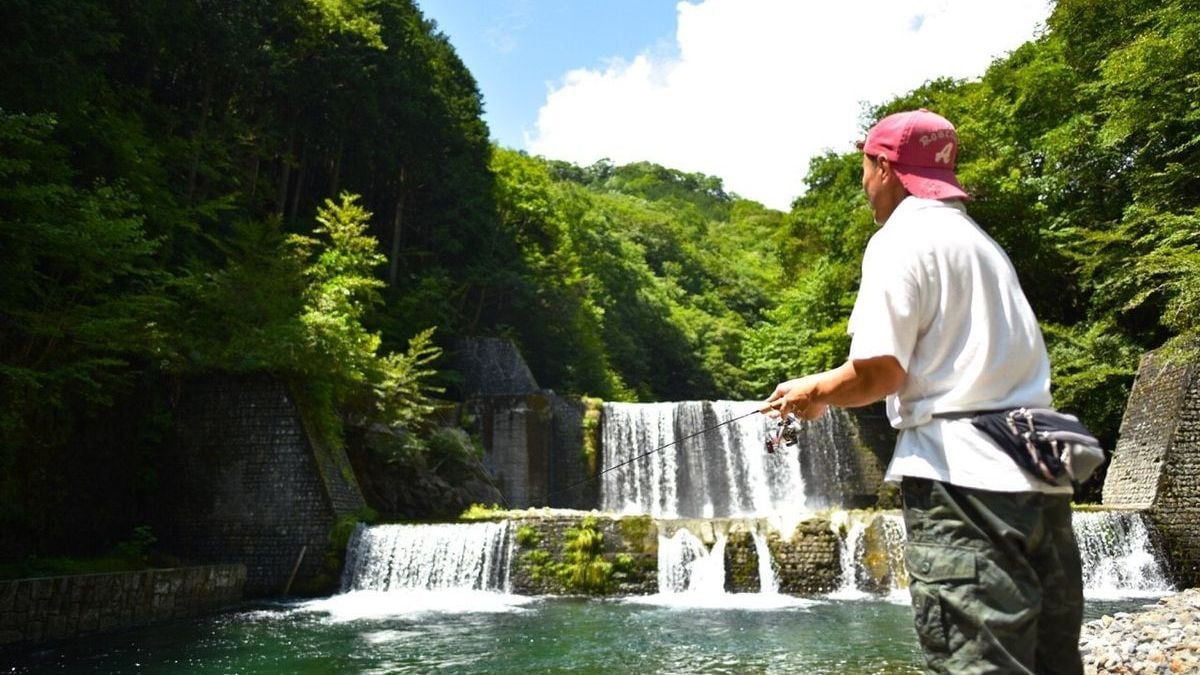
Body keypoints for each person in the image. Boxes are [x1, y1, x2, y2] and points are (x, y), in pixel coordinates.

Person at [762, 109, 1083, 674]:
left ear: (885, 167)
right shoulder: (979, 243)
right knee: (1049, 660)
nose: (864, 183)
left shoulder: (900, 240)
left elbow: (881, 372)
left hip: (966, 478)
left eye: (865, 167)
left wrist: (816, 390)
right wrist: (820, 388)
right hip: (1040, 469)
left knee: (978, 662)